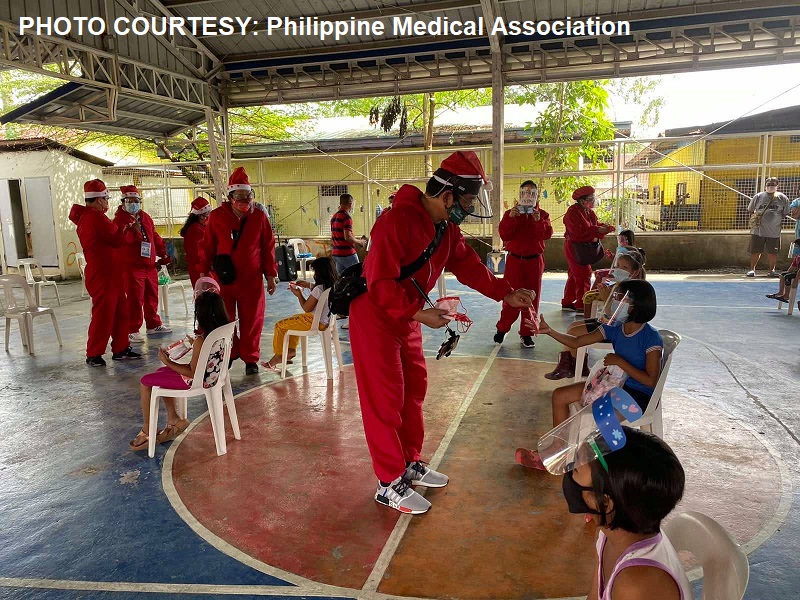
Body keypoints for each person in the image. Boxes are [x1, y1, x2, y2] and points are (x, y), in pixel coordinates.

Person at [350, 150, 535, 515]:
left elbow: (468, 265)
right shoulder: (394, 222)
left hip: (408, 318)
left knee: (413, 392)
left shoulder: (446, 229)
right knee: (384, 401)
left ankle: (409, 462)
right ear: (447, 195)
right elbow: (379, 283)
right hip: (376, 317)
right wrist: (418, 313)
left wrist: (504, 291)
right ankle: (388, 482)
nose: (468, 208)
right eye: (466, 200)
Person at [519, 279, 662, 468]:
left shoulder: (651, 338)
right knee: (560, 396)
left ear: (635, 306)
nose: (614, 301)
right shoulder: (615, 328)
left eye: (619, 298)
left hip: (637, 395)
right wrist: (550, 331)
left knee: (601, 419)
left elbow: (651, 381)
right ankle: (558, 449)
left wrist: (620, 362)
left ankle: (601, 468)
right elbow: (578, 342)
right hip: (614, 384)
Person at [567, 428, 691, 599]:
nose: (568, 474)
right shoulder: (607, 532)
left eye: (575, 470)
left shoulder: (636, 585)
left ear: (603, 502)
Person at [129, 277, 230, 451]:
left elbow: (191, 372)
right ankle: (174, 418)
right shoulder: (221, 331)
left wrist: (168, 361)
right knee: (161, 373)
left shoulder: (201, 340)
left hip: (198, 380)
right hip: (214, 376)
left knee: (146, 381)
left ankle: (147, 430)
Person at [201, 167, 278, 375]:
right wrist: (203, 273)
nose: (244, 200)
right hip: (224, 278)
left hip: (251, 279)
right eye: (240, 196)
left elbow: (268, 246)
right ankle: (229, 354)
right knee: (224, 319)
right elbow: (207, 245)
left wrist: (271, 275)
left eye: (248, 196)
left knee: (252, 319)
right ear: (230, 196)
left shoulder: (259, 217)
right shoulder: (216, 217)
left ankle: (250, 358)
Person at [69, 179, 141, 367]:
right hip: (103, 275)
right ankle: (94, 353)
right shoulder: (95, 218)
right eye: (107, 198)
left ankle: (120, 347)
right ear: (100, 200)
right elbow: (117, 239)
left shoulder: (89, 217)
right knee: (103, 315)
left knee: (120, 312)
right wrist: (131, 230)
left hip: (110, 274)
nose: (108, 202)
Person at [494, 181, 553, 348]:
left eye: (531, 194)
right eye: (524, 194)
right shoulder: (510, 214)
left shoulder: (543, 215)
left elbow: (546, 234)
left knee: (532, 299)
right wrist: (511, 219)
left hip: (535, 261)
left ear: (536, 196)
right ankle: (502, 329)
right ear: (519, 196)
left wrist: (538, 221)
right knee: (510, 295)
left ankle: (527, 333)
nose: (528, 197)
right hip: (514, 261)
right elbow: (504, 234)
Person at [113, 185, 172, 344]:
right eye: (130, 201)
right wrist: (135, 231)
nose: (134, 204)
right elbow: (122, 241)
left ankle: (153, 324)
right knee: (134, 298)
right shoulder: (120, 220)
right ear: (123, 202)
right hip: (132, 265)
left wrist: (162, 252)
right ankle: (132, 329)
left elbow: (154, 235)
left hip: (149, 264)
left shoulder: (145, 216)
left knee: (152, 296)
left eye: (136, 201)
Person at [261, 256, 338, 370]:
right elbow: (319, 291)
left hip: (313, 322)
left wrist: (298, 294)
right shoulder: (333, 285)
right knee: (293, 320)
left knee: (280, 326)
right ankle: (290, 351)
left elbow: (307, 308)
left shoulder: (319, 289)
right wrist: (309, 285)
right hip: (326, 322)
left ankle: (279, 356)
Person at [562, 186, 615, 312]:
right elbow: (578, 232)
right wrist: (597, 230)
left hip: (583, 248)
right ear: (581, 200)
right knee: (584, 274)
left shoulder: (588, 212)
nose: (593, 200)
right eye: (590, 198)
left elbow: (593, 225)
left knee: (575, 275)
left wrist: (604, 227)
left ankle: (568, 302)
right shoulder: (572, 212)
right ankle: (582, 304)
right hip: (575, 248)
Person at [746, 177, 789, 277]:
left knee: (773, 252)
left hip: (774, 231)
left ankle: (771, 270)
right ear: (765, 185)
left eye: (773, 184)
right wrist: (755, 219)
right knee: (755, 251)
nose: (770, 186)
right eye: (768, 184)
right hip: (758, 230)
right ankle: (752, 269)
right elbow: (751, 210)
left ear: (777, 186)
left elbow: (785, 213)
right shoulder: (758, 196)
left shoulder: (782, 198)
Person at [331, 193, 366, 274]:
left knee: (342, 280)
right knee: (357, 276)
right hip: (347, 254)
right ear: (350, 204)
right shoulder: (346, 217)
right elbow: (347, 237)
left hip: (336, 253)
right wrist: (360, 242)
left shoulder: (334, 216)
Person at [180, 197, 211, 288]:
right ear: (201, 216)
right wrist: (203, 270)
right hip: (199, 269)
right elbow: (199, 253)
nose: (209, 217)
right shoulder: (196, 230)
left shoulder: (199, 227)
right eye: (207, 214)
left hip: (200, 268)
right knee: (204, 295)